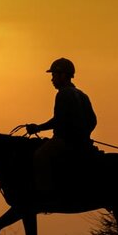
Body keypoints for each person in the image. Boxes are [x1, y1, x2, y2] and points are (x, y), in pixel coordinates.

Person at [26, 57, 98, 196]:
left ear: (63, 75)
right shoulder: (83, 95)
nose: (52, 79)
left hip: (65, 141)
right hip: (83, 142)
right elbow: (93, 121)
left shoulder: (63, 94)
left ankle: (46, 195)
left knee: (40, 155)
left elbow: (58, 120)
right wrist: (83, 135)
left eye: (54, 75)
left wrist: (38, 128)